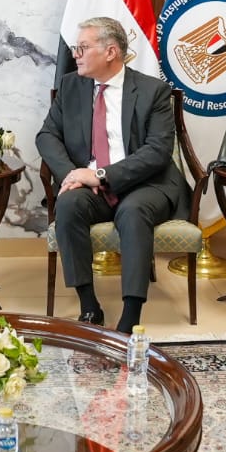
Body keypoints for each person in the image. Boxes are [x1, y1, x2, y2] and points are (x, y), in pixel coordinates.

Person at [37, 17, 190, 333]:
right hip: (89, 183)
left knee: (133, 212)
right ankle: (89, 307)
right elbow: (47, 136)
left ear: (110, 52)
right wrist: (73, 175)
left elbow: (157, 151)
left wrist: (101, 175)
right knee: (68, 205)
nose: (75, 54)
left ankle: (130, 318)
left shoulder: (152, 91)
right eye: (76, 47)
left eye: (83, 47)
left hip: (146, 183)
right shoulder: (70, 86)